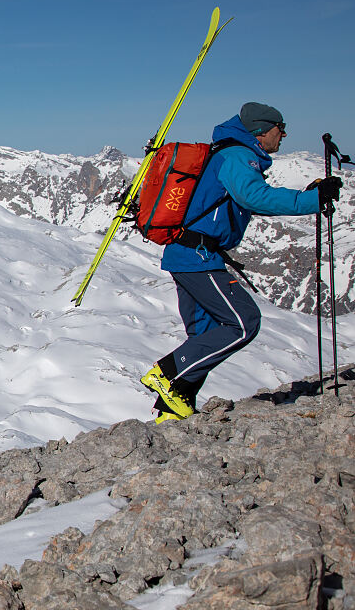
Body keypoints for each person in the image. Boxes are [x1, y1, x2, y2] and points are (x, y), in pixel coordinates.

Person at [141, 103, 342, 423]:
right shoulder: (236, 156)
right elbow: (254, 197)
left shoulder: (229, 154)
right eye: (280, 127)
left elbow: (243, 200)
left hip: (187, 255)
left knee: (204, 336)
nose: (284, 133)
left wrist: (307, 195)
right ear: (261, 131)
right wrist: (311, 201)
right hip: (198, 258)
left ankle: (173, 410)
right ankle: (166, 373)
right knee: (242, 322)